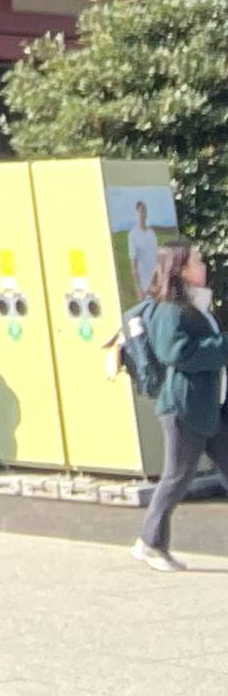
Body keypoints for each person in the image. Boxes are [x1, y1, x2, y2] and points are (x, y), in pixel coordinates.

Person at [133, 241, 228, 572]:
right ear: (181, 270)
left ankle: (150, 542)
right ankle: (150, 543)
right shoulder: (169, 310)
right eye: (197, 261)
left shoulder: (196, 305)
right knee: (176, 477)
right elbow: (176, 353)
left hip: (211, 407)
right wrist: (223, 345)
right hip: (184, 408)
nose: (204, 266)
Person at [128, 199, 161, 296]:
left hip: (156, 283)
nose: (143, 214)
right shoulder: (133, 235)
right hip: (145, 287)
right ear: (137, 213)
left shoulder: (151, 233)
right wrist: (138, 289)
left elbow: (157, 257)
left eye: (144, 211)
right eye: (141, 211)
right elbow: (133, 265)